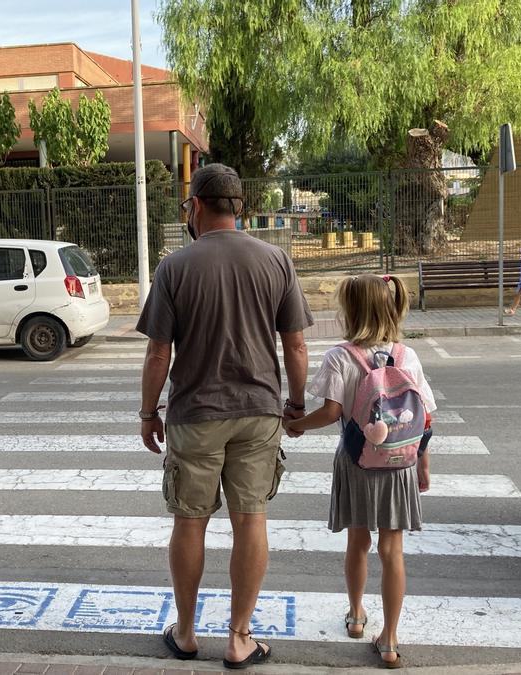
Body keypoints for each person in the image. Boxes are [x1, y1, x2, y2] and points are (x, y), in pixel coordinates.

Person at [137, 163, 314, 670]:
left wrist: (149, 413)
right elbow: (297, 345)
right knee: (250, 518)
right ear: (241, 208)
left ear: (195, 206)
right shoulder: (276, 260)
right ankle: (240, 638)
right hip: (258, 413)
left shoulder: (174, 268)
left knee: (190, 522)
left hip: (195, 414)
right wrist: (296, 407)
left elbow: (157, 355)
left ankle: (188, 633)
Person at [284, 274, 436, 669]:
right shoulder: (408, 356)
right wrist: (422, 461)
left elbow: (331, 412)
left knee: (358, 543)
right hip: (399, 463)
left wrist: (295, 425)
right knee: (392, 549)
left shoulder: (341, 356)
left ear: (350, 311)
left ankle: (355, 615)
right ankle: (389, 639)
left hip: (356, 462)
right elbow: (425, 416)